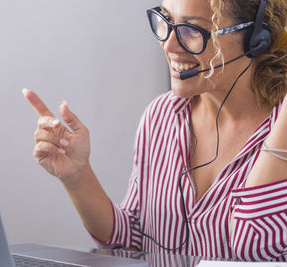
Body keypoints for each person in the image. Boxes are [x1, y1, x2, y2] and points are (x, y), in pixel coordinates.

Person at [23, 0, 287, 261]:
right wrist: (77, 177)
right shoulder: (160, 116)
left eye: (192, 30)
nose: (168, 44)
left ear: (256, 38)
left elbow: (255, 247)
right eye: (166, 21)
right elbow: (135, 240)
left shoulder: (280, 128)